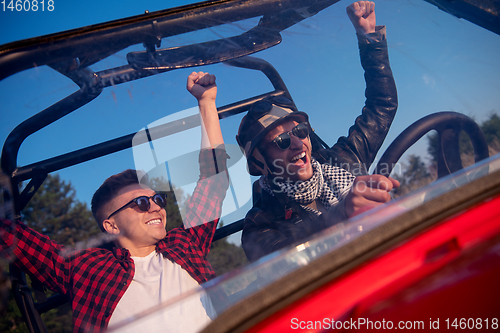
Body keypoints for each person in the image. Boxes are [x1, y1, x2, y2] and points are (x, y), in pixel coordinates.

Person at [0, 72, 228, 333]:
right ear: (111, 225)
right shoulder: (88, 268)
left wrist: (206, 103)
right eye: (141, 202)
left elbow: (214, 180)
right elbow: (12, 237)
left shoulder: (184, 244)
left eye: (157, 199)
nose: (155, 206)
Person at [237, 1, 400, 262]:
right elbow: (285, 262)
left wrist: (370, 39)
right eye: (280, 141)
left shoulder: (344, 159)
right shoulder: (259, 223)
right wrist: (339, 215)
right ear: (260, 162)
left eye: (300, 131)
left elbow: (382, 107)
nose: (298, 144)